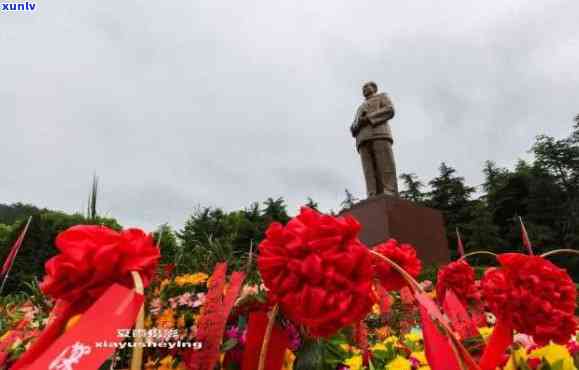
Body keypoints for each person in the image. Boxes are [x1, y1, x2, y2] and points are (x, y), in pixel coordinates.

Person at [350, 81, 398, 197]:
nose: (365, 89)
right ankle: (372, 193)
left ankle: (389, 191)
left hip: (379, 133)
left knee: (385, 165)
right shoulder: (360, 108)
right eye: (363, 88)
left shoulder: (382, 97)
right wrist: (355, 126)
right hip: (362, 138)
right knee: (368, 170)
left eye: (367, 86)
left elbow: (389, 110)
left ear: (374, 88)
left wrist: (368, 118)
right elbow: (354, 125)